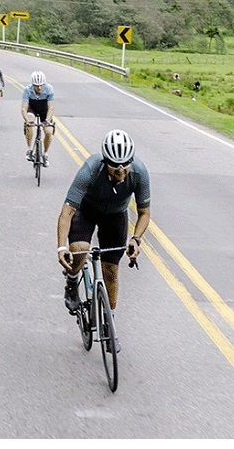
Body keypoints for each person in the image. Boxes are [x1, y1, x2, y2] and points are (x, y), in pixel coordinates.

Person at [57, 129, 151, 340]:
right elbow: (67, 212)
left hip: (115, 215)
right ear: (105, 161)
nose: (121, 170)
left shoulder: (139, 172)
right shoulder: (90, 170)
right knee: (79, 249)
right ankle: (72, 281)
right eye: (114, 165)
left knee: (111, 272)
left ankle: (110, 323)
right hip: (87, 211)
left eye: (125, 164)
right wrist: (61, 247)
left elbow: (145, 213)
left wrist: (136, 239)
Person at [21, 70, 55, 165]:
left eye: (41, 85)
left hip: (44, 109)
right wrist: (27, 121)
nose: (39, 87)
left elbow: (51, 108)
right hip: (32, 108)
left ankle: (45, 153)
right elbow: (24, 108)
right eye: (36, 85)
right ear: (33, 84)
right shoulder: (27, 90)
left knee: (48, 131)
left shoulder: (49, 89)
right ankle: (29, 149)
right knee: (29, 125)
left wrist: (47, 120)